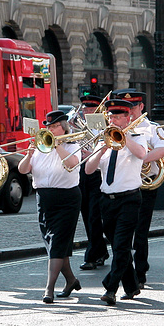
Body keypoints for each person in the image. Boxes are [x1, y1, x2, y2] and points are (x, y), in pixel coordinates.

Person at [84, 99, 146, 305]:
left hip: (129, 199)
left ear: (128, 118)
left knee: (121, 246)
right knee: (118, 247)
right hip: (107, 201)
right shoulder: (103, 141)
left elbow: (142, 155)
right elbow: (89, 170)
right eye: (111, 117)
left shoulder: (136, 137)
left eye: (118, 117)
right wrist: (101, 149)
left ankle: (110, 288)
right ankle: (131, 285)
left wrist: (125, 137)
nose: (113, 121)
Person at [18, 109, 82, 304]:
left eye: (55, 127)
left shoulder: (73, 145)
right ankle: (71, 280)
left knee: (56, 242)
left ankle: (49, 288)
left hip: (67, 198)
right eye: (49, 127)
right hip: (44, 198)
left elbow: (71, 164)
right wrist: (29, 154)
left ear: (63, 128)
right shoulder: (40, 146)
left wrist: (57, 146)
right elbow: (22, 170)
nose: (51, 130)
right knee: (55, 244)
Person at [115, 90, 164, 288]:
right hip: (122, 184)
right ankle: (126, 272)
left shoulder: (152, 128)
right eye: (126, 107)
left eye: (133, 106)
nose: (130, 110)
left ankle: (140, 271)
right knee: (121, 234)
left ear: (141, 107)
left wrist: (142, 158)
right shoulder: (115, 127)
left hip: (145, 184)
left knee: (140, 230)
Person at [73, 94, 109, 271]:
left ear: (97, 109)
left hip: (98, 174)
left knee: (95, 215)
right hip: (82, 174)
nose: (85, 111)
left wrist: (92, 155)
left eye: (89, 109)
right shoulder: (79, 127)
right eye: (84, 108)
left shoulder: (104, 128)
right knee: (87, 215)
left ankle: (93, 255)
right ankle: (100, 250)